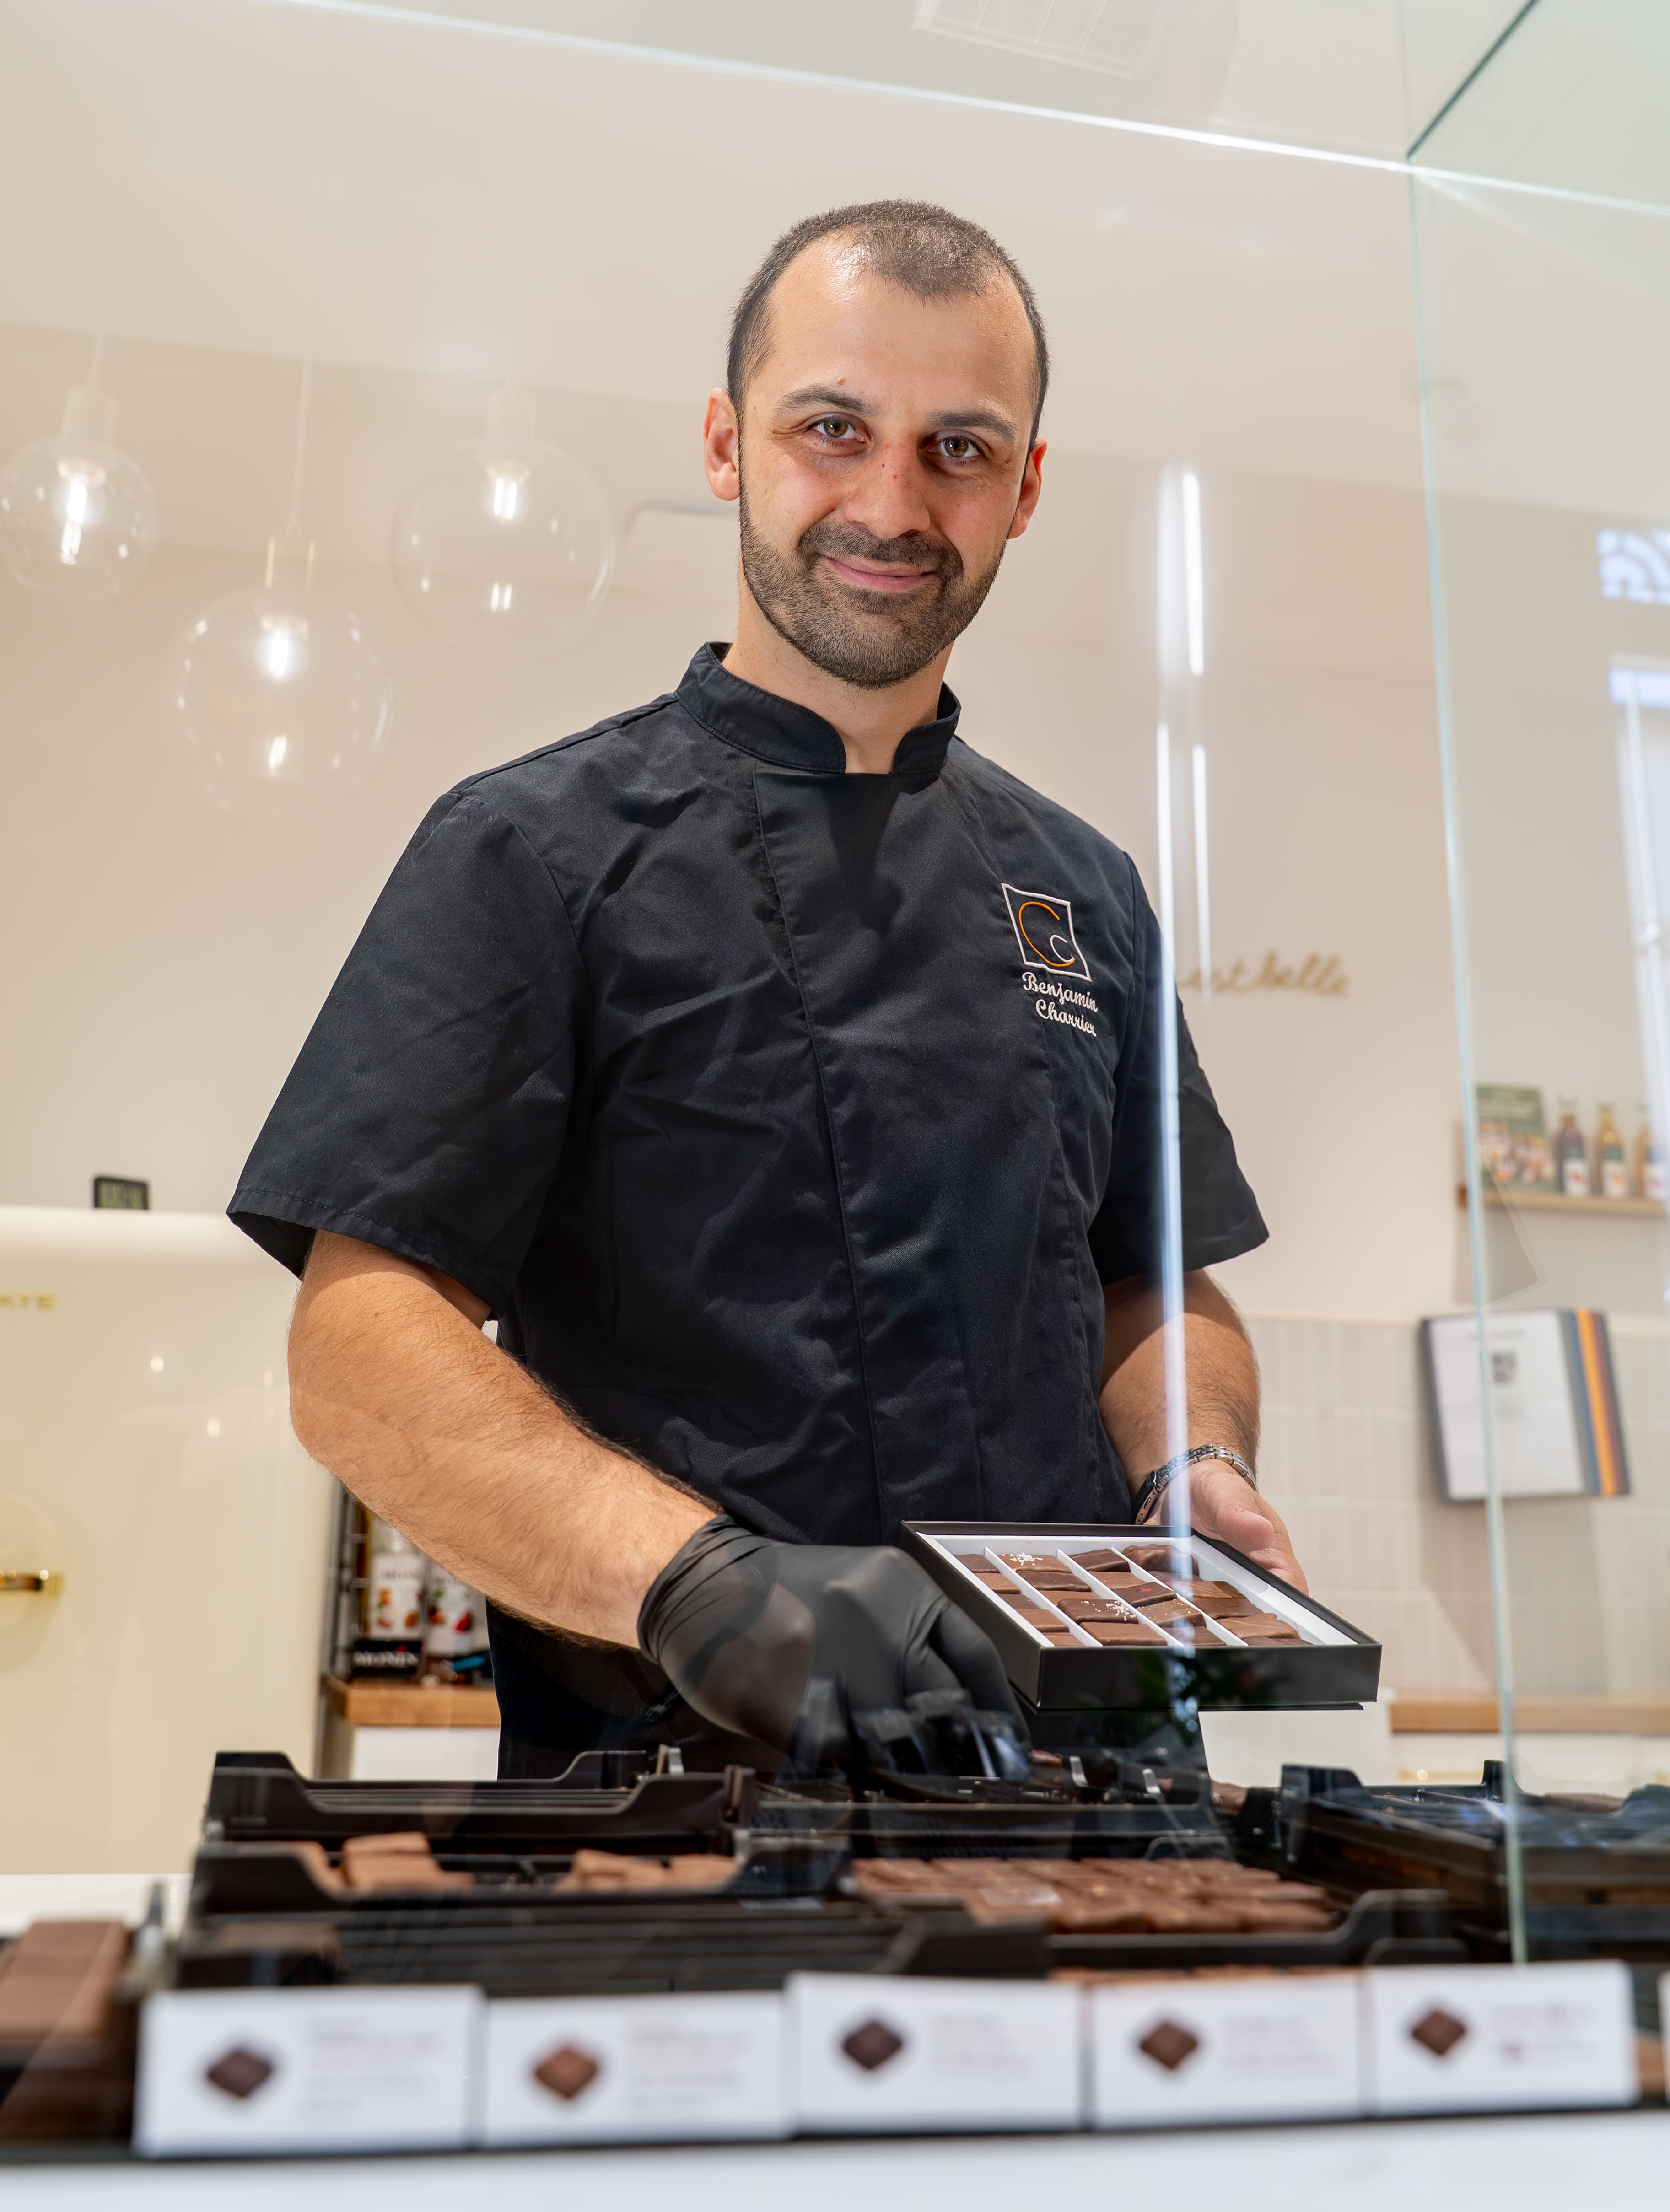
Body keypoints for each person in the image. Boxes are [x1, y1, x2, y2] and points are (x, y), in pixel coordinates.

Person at [230, 199, 1303, 1776]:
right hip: (683, 1785)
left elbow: (1155, 1285)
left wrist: (1190, 1461)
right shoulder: (530, 851)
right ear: (728, 445)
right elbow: (359, 1342)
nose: (890, 500)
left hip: (1083, 1787)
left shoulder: (1084, 888)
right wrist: (690, 1582)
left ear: (1024, 489)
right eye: (831, 427)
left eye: (958, 448)